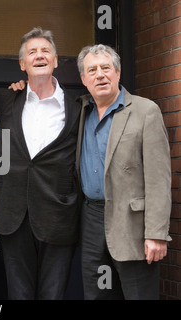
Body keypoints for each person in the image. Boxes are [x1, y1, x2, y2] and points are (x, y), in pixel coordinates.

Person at [76, 44, 171, 299]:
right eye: (92, 70)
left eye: (106, 68)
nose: (100, 74)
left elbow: (159, 179)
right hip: (92, 220)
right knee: (98, 295)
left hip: (133, 226)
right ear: (84, 79)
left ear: (118, 73)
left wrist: (156, 234)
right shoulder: (80, 112)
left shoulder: (145, 111)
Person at [0, 27, 81, 299]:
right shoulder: (6, 99)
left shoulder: (77, 107)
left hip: (58, 216)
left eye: (45, 51)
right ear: (22, 64)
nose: (39, 56)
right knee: (18, 294)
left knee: (53, 295)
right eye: (32, 52)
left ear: (55, 61)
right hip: (13, 215)